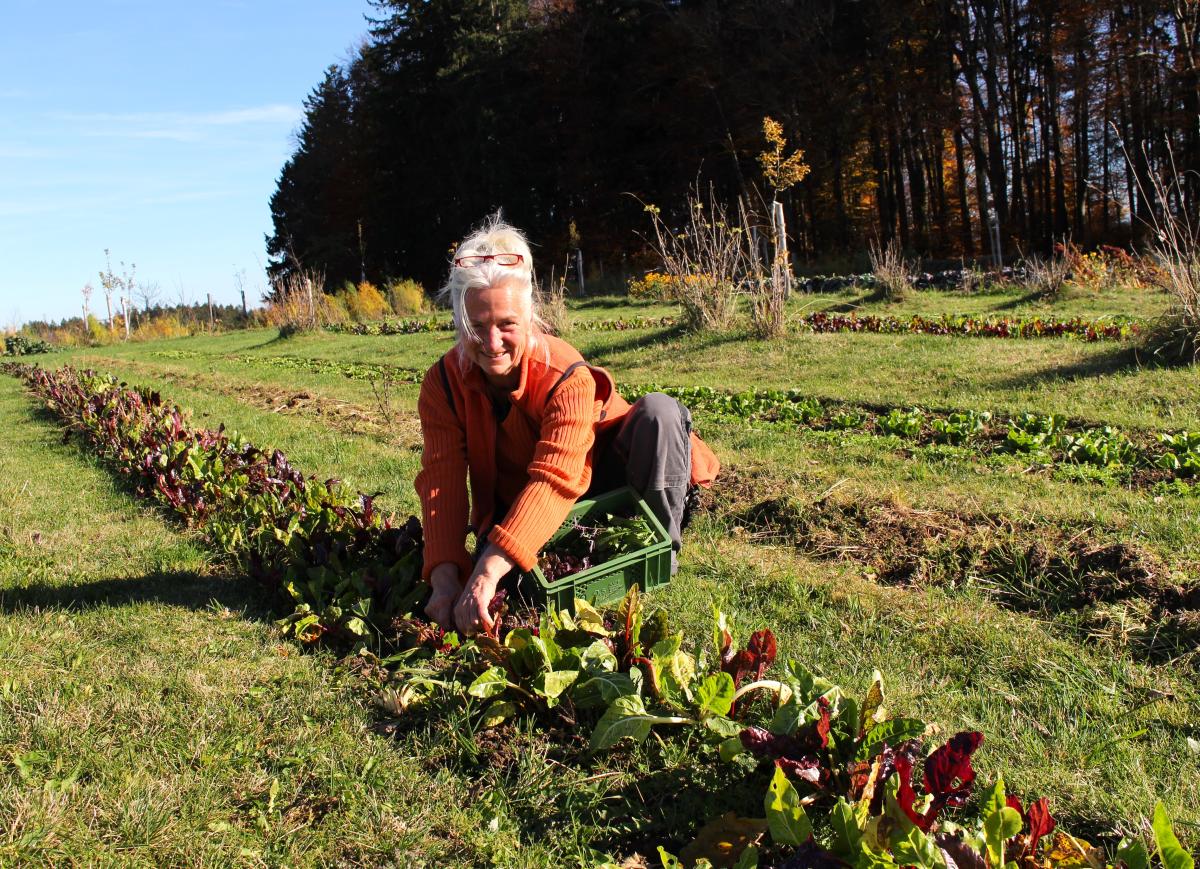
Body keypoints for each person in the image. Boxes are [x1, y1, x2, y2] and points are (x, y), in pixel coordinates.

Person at [415, 216, 719, 636]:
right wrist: (445, 575)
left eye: (506, 324)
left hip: (601, 481)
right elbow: (441, 481)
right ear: (458, 320)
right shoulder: (442, 385)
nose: (491, 342)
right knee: (515, 579)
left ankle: (655, 553)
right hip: (518, 499)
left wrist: (486, 572)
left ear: (530, 317)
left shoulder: (565, 375)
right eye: (476, 326)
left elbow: (557, 478)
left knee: (659, 412)